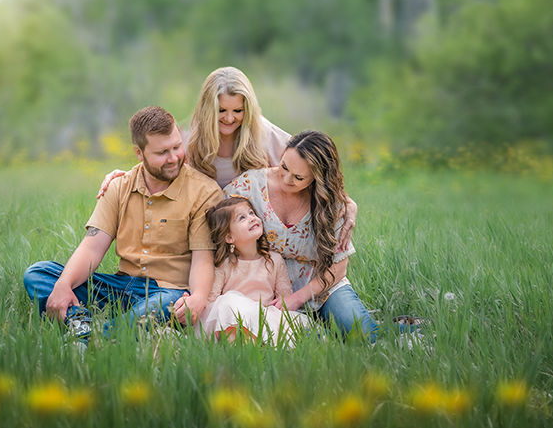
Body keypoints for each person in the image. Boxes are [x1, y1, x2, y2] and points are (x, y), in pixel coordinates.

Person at [97, 66, 357, 250]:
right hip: (205, 228)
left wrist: (346, 202)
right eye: (221, 110)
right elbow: (163, 160)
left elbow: (308, 164)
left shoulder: (263, 133)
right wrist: (126, 174)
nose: (230, 118)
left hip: (252, 234)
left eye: (238, 111)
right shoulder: (192, 136)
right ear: (208, 108)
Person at [23, 106, 222, 342]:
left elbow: (203, 258)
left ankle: (94, 340)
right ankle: (82, 323)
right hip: (119, 287)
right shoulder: (119, 186)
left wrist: (198, 297)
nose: (173, 158)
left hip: (167, 292)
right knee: (39, 273)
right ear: (139, 153)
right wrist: (64, 285)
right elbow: (92, 247)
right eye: (162, 152)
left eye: (177, 147)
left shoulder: (204, 192)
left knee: (164, 303)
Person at [223, 130, 379, 343]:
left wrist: (298, 298)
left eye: (298, 177)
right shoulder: (250, 186)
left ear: (318, 177)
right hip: (268, 293)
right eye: (284, 167)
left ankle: (411, 333)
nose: (287, 179)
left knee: (361, 334)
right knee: (311, 344)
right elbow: (219, 220)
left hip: (323, 288)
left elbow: (339, 266)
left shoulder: (330, 203)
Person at [197, 196, 310, 347]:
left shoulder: (274, 260)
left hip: (263, 315)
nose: (251, 218)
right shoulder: (225, 265)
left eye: (251, 213)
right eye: (242, 218)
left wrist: (280, 304)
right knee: (228, 302)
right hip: (234, 319)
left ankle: (258, 346)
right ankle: (239, 350)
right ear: (229, 237)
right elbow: (212, 299)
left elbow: (285, 297)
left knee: (289, 324)